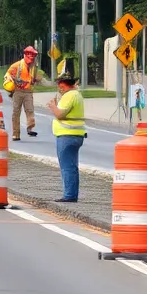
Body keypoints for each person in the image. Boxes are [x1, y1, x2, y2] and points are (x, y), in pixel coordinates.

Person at [47, 73, 86, 202]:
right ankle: (72, 194)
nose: (59, 89)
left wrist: (53, 106)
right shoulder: (77, 95)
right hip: (76, 134)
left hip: (67, 135)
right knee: (72, 166)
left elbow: (60, 114)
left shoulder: (69, 96)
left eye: (60, 86)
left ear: (64, 85)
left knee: (67, 167)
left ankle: (69, 195)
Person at [4, 45, 47, 142]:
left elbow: (38, 78)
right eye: (30, 56)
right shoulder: (17, 65)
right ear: (26, 55)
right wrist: (11, 82)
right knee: (16, 112)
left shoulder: (34, 67)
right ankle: (16, 134)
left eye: (33, 57)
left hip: (28, 91)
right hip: (18, 91)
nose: (32, 59)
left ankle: (30, 127)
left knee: (30, 110)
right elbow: (8, 75)